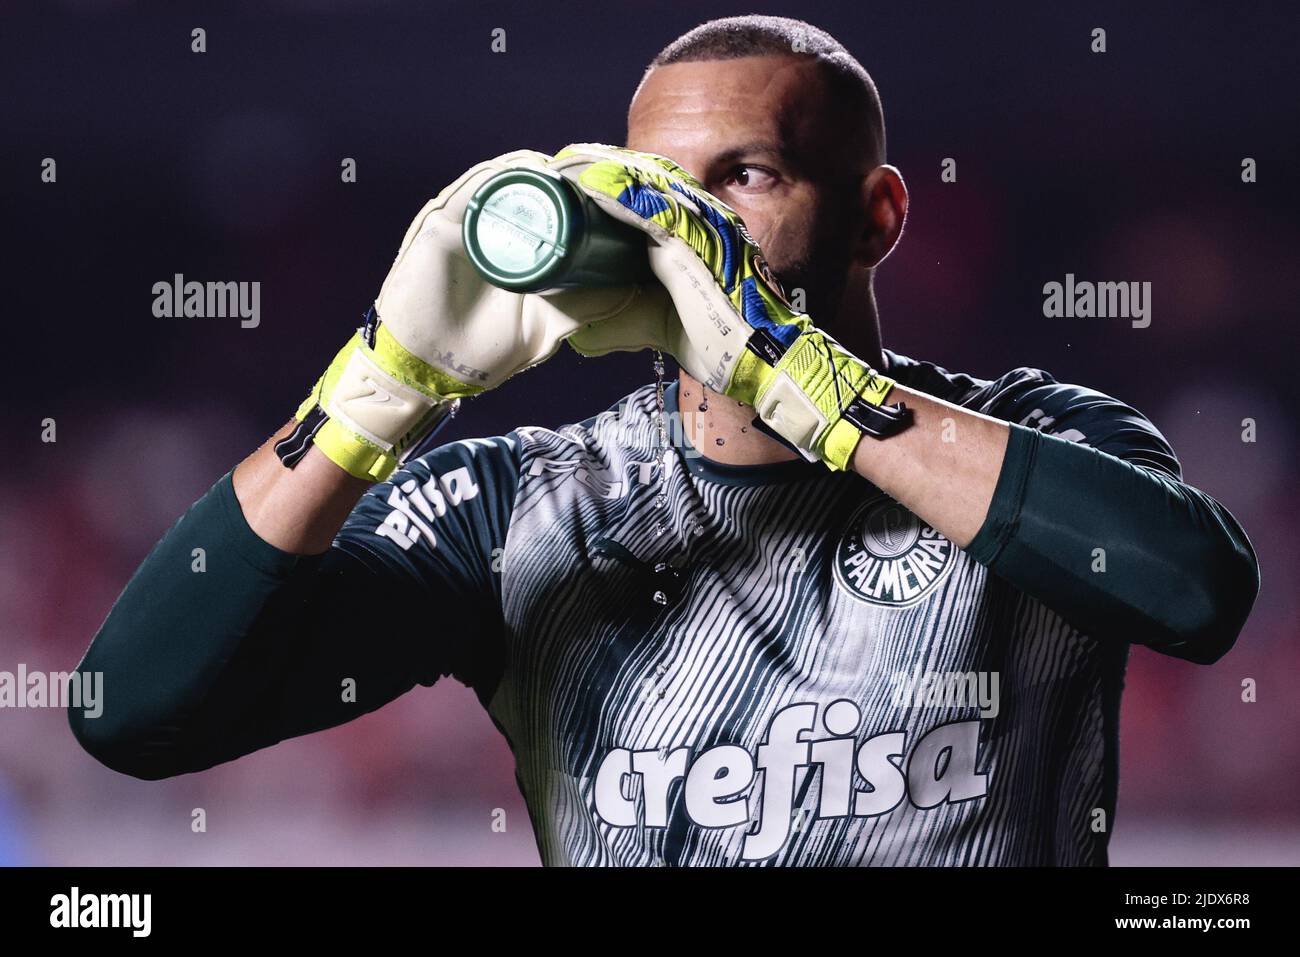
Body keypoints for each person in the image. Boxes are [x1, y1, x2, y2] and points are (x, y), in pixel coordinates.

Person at [68, 15, 1259, 866]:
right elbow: (133, 712)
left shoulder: (1034, 434)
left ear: (876, 215)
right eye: (654, 188)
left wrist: (799, 380)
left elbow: (1195, 590)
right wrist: (376, 387)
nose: (684, 229)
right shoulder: (516, 507)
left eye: (743, 178)